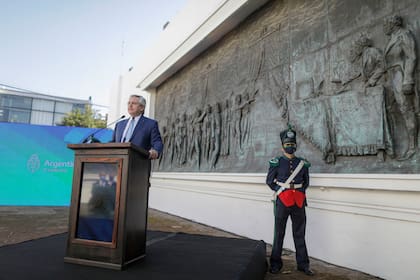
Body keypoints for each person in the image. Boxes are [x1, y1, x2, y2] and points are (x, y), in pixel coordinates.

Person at [266, 125, 314, 276]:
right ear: (282, 146)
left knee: (299, 234)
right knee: (279, 234)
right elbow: (269, 181)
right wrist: (281, 193)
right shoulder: (277, 162)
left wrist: (297, 192)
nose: (290, 147)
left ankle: (303, 265)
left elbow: (306, 182)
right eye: (287, 145)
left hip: (298, 202)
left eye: (292, 145)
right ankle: (275, 264)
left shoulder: (303, 163)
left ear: (296, 146)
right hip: (282, 201)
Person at [383, 15, 417, 160]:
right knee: (391, 109)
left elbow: (411, 57)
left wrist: (408, 79)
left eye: (386, 24)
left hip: (400, 74)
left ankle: (413, 146)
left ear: (393, 24)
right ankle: (395, 144)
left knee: (406, 109)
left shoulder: (404, 35)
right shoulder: (392, 38)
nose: (384, 27)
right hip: (391, 77)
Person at [111, 94, 163, 160]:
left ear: (142, 108)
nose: (130, 105)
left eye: (134, 103)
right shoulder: (119, 124)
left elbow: (157, 141)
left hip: (139, 163)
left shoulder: (150, 124)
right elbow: (112, 142)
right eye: (129, 103)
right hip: (117, 162)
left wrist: (155, 151)